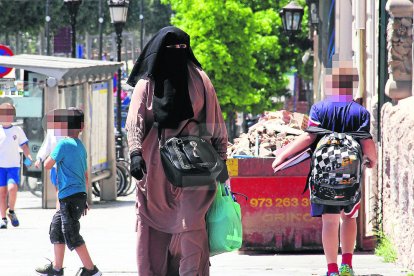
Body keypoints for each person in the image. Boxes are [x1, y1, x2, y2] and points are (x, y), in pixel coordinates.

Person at [126, 26, 229, 275]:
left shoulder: (200, 80)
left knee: (191, 227)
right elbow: (135, 121)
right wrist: (135, 153)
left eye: (182, 48)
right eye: (172, 49)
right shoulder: (147, 84)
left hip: (195, 169)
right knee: (155, 232)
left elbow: (215, 124)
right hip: (155, 173)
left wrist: (222, 162)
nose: (177, 54)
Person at [272, 60, 377, 276]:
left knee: (329, 221)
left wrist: (282, 155)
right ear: (352, 86)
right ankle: (347, 265)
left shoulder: (319, 108)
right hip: (350, 174)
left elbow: (309, 137)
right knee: (349, 217)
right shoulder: (360, 112)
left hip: (324, 176)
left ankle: (332, 270)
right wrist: (372, 159)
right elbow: (366, 141)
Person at [35, 108, 102, 276]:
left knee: (71, 233)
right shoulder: (81, 147)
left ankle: (91, 270)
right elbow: (85, 175)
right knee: (57, 229)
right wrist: (85, 198)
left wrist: (55, 154)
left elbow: (47, 164)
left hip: (68, 197)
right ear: (82, 127)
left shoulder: (63, 144)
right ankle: (57, 269)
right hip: (77, 196)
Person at [0, 102, 32, 229]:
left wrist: (28, 156)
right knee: (1, 193)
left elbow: (24, 145)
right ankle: (3, 219)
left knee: (12, 188)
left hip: (13, 166)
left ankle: (11, 211)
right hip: (0, 167)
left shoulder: (17, 130)